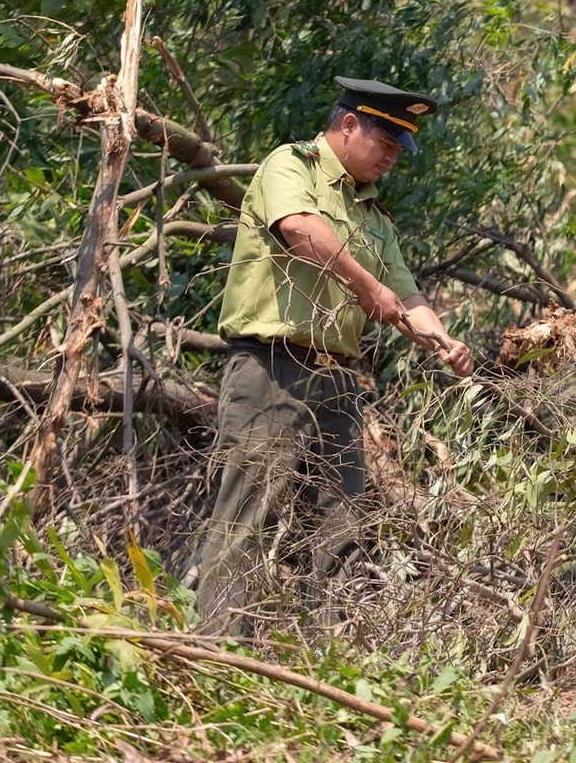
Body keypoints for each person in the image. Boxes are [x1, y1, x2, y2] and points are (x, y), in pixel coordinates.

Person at [192, 77, 473, 636]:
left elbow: (406, 293)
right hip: (273, 365)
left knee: (342, 521)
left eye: (399, 149)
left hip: (339, 379)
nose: (393, 157)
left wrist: (442, 340)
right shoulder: (289, 166)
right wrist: (368, 289)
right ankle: (214, 651)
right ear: (349, 125)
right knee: (248, 513)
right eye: (386, 143)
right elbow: (300, 229)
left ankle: (331, 653)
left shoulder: (374, 216)